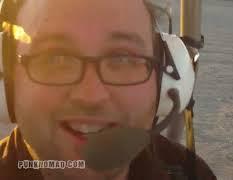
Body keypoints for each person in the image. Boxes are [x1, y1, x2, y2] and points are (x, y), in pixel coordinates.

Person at [0, 0, 217, 179]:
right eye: (56, 58)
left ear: (164, 81)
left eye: (123, 58)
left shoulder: (193, 174)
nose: (91, 97)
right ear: (8, 79)